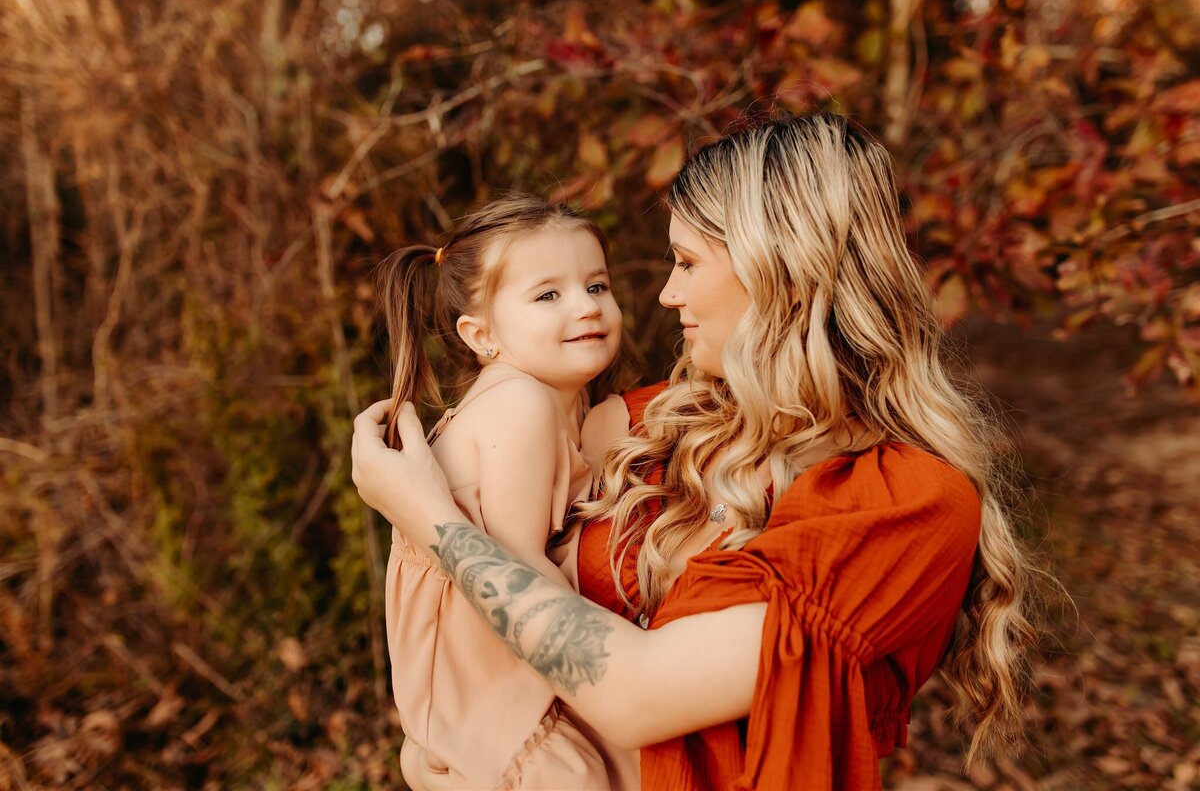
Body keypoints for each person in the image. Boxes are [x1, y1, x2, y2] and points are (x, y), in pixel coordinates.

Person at [353, 113, 1036, 790]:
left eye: (686, 263)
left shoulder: (904, 502)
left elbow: (634, 696)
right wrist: (441, 745)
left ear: (783, 270)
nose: (665, 293)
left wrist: (426, 517)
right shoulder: (654, 421)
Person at [373, 193, 641, 790]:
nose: (586, 308)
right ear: (481, 334)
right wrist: (629, 658)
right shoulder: (518, 405)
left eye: (596, 286)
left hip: (491, 663)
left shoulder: (562, 404)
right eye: (548, 295)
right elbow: (516, 567)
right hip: (488, 680)